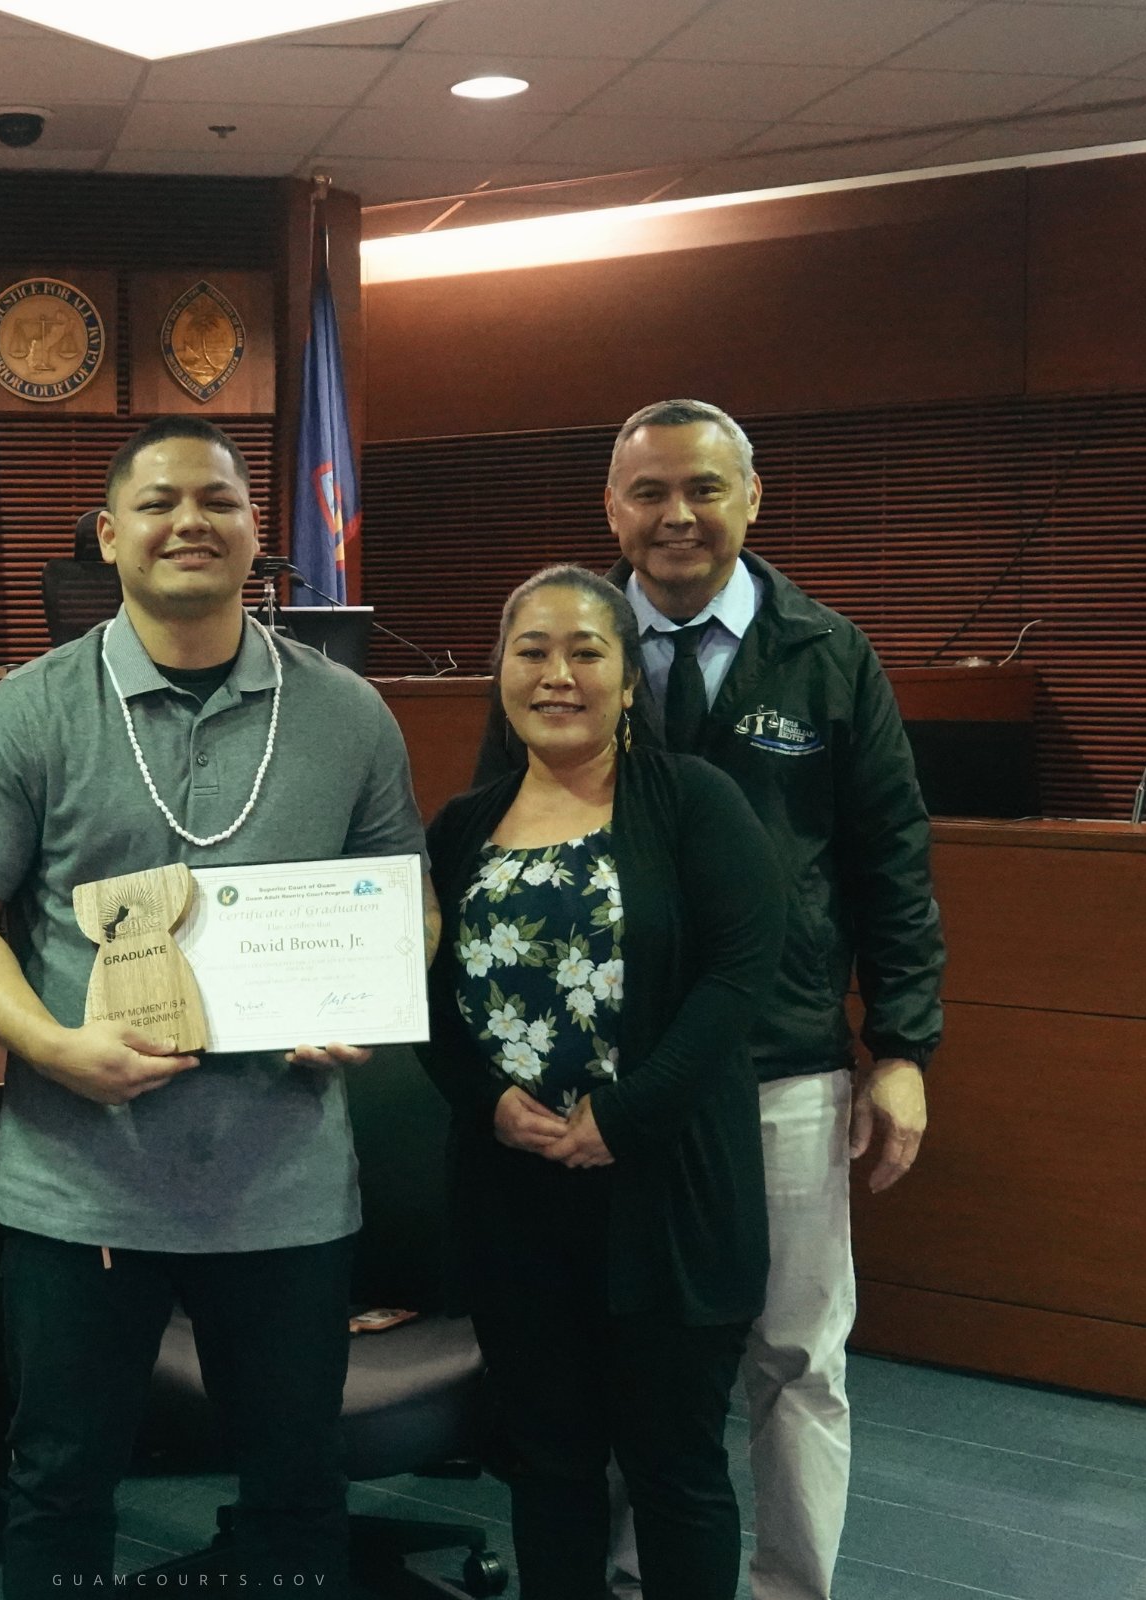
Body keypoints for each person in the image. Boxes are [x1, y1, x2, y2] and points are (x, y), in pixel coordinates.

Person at [0, 416, 428, 1598]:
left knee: (297, 1485)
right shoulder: (31, 709)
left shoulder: (348, 712)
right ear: (108, 535)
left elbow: (407, 905)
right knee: (61, 1483)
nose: (189, 521)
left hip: (284, 1188)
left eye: (218, 500)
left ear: (256, 533)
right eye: (157, 503)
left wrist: (365, 998)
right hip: (79, 1182)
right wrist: (48, 1042)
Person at [475, 400, 947, 1600]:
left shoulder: (826, 653)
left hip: (779, 1061)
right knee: (622, 1350)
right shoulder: (564, 646)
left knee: (793, 1350)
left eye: (704, 488)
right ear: (611, 508)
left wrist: (901, 1045)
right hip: (602, 1081)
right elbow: (496, 857)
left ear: (753, 498)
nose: (676, 514)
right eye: (648, 492)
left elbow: (891, 858)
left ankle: (790, 1586)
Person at [426, 565, 783, 1599]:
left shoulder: (695, 801)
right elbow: (426, 1001)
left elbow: (739, 975)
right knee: (548, 1464)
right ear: (500, 674)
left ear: (629, 681)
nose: (558, 675)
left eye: (587, 652)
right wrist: (488, 1101)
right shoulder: (461, 828)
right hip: (514, 1196)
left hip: (667, 1193)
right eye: (532, 651)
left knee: (674, 1469)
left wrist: (625, 1115)